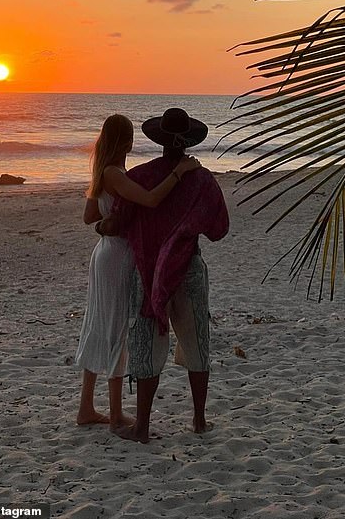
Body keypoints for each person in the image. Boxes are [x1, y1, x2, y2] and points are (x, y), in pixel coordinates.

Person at [110, 107, 229, 444]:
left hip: (148, 271)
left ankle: (143, 426)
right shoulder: (202, 179)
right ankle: (199, 420)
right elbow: (219, 229)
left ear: (159, 141)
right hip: (188, 266)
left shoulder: (142, 176)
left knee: (147, 344)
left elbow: (121, 218)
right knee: (197, 343)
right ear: (189, 142)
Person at [75, 113, 200, 431]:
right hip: (117, 258)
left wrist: (108, 222)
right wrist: (179, 171)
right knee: (117, 327)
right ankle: (114, 413)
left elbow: (90, 216)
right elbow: (150, 200)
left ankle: (87, 407)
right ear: (127, 141)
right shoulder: (115, 173)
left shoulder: (105, 173)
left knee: (100, 324)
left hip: (105, 254)